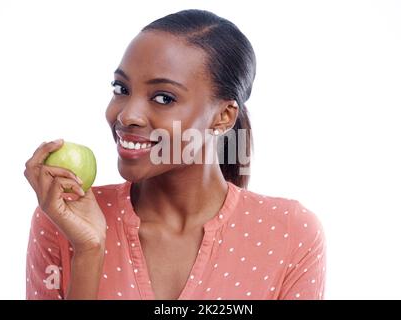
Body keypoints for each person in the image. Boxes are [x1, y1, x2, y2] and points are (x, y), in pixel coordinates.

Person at [24, 9, 326, 300]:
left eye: (163, 97)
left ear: (223, 116)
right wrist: (88, 251)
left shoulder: (290, 234)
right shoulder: (62, 219)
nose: (128, 115)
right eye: (121, 88)